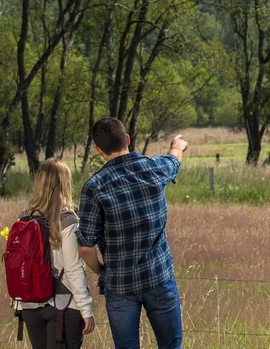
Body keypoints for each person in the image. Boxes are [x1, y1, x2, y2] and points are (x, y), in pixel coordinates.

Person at [77, 117, 187, 349]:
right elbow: (174, 160)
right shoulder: (154, 168)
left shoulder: (94, 187)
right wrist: (177, 145)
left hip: (119, 284)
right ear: (127, 139)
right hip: (159, 276)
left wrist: (101, 270)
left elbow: (86, 247)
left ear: (99, 150)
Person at [17, 159, 95, 348]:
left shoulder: (24, 218)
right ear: (64, 184)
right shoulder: (68, 220)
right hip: (63, 305)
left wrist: (19, 303)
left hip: (30, 305)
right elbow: (73, 269)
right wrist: (86, 310)